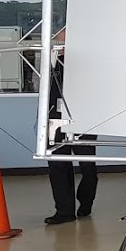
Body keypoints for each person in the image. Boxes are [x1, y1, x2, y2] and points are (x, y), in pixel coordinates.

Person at [45, 28, 97, 225]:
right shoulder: (52, 64)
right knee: (57, 164)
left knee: (87, 164)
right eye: (57, 43)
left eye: (61, 43)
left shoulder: (87, 64)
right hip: (55, 119)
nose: (58, 47)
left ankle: (85, 202)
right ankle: (64, 211)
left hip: (83, 119)